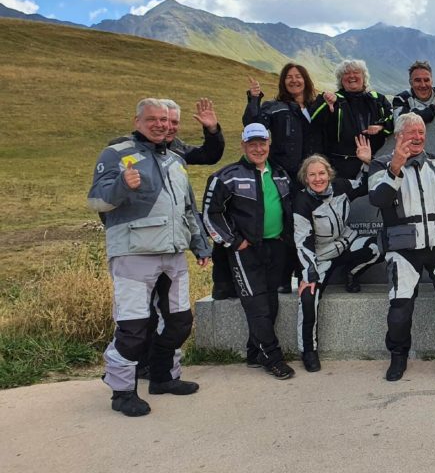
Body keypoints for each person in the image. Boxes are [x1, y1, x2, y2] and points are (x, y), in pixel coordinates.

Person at [87, 98, 211, 417]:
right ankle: (122, 391)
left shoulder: (175, 159)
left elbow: (186, 207)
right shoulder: (116, 153)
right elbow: (97, 200)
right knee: (132, 327)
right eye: (153, 119)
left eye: (166, 120)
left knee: (180, 321)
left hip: (172, 253)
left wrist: (200, 244)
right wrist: (121, 186)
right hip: (132, 253)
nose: (161, 124)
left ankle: (163, 377)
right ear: (138, 120)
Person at [108, 97, 227, 377]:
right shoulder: (125, 150)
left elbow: (207, 159)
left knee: (172, 317)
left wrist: (212, 131)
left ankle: (158, 371)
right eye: (162, 121)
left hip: (169, 248)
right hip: (136, 249)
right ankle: (132, 373)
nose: (168, 127)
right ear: (140, 122)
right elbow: (108, 199)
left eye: (173, 122)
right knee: (139, 318)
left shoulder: (175, 151)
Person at [368, 113, 435, 382]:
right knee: (399, 314)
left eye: (421, 132)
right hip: (403, 249)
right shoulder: (380, 165)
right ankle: (398, 357)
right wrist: (395, 168)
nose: (417, 137)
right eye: (411, 132)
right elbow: (378, 199)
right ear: (398, 136)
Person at [202, 123, 296, 380]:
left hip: (275, 247)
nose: (258, 148)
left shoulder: (280, 173)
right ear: (243, 145)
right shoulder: (226, 176)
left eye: (262, 143)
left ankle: (255, 352)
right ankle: (272, 357)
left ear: (269, 144)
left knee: (271, 303)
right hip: (245, 250)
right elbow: (210, 214)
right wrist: (233, 242)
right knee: (256, 304)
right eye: (252, 143)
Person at [293, 147, 382, 372]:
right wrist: (309, 274)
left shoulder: (340, 187)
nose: (318, 179)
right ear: (305, 178)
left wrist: (366, 162)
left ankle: (351, 273)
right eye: (312, 175)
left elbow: (362, 185)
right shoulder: (301, 202)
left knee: (376, 248)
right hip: (320, 255)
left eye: (321, 173)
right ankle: (308, 350)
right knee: (308, 297)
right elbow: (302, 242)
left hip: (345, 243)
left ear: (329, 174)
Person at [243, 63, 327, 182]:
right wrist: (254, 98)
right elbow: (252, 126)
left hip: (314, 175)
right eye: (289, 77)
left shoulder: (316, 107)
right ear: (283, 82)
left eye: (298, 76)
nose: (294, 80)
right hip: (283, 175)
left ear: (305, 80)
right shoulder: (274, 107)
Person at [318, 58, 394, 179]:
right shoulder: (333, 100)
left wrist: (381, 126)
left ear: (364, 77)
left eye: (356, 72)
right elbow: (314, 122)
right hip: (341, 167)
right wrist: (324, 101)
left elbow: (393, 119)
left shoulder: (378, 99)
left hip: (375, 162)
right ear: (341, 80)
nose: (351, 76)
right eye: (346, 73)